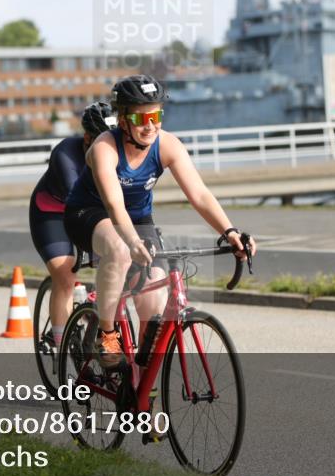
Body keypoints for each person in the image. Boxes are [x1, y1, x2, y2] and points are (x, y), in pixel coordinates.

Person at [65, 75, 256, 370]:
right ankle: (107, 335)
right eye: (141, 118)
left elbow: (199, 195)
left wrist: (230, 231)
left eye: (156, 116)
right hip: (90, 213)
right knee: (118, 249)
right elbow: (114, 205)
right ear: (123, 120)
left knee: (153, 298)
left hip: (138, 217)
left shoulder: (168, 145)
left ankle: (141, 385)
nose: (150, 125)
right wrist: (132, 242)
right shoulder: (104, 147)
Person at [29, 102, 117, 349]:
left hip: (91, 211)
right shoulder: (65, 152)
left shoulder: (118, 151)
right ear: (87, 137)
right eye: (102, 140)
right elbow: (76, 200)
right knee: (66, 274)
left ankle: (94, 314)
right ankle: (61, 346)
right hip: (52, 213)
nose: (109, 147)